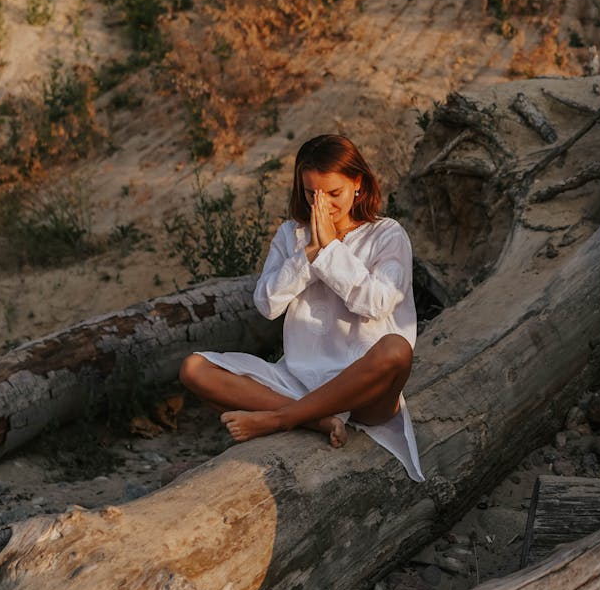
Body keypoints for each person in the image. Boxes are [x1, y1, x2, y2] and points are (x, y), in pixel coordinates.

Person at [179, 134, 424, 482]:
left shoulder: (386, 234)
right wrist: (309, 251)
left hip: (363, 391)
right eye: (312, 194)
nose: (322, 205)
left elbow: (378, 303)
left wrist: (330, 250)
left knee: (397, 350)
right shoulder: (291, 235)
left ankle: (280, 418)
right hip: (298, 379)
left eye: (333, 193)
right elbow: (266, 304)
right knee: (194, 368)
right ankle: (314, 419)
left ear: (358, 183)